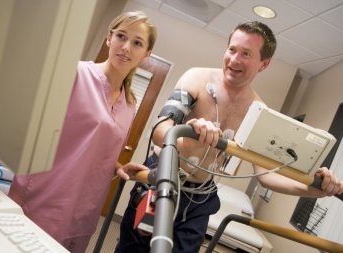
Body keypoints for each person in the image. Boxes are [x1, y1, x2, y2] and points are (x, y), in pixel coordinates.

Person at [115, 21, 343, 253]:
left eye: (246, 54)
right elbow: (161, 131)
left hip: (199, 198)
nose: (234, 60)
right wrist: (192, 128)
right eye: (232, 49)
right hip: (161, 177)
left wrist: (313, 189)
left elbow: (265, 175)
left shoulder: (258, 112)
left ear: (263, 64)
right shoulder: (197, 79)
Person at [8, 11, 157, 253]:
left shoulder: (130, 103)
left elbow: (96, 147)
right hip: (45, 196)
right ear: (109, 39)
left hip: (84, 207)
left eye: (137, 43)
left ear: (146, 54)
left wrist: (118, 166)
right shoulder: (75, 74)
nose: (126, 47)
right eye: (121, 36)